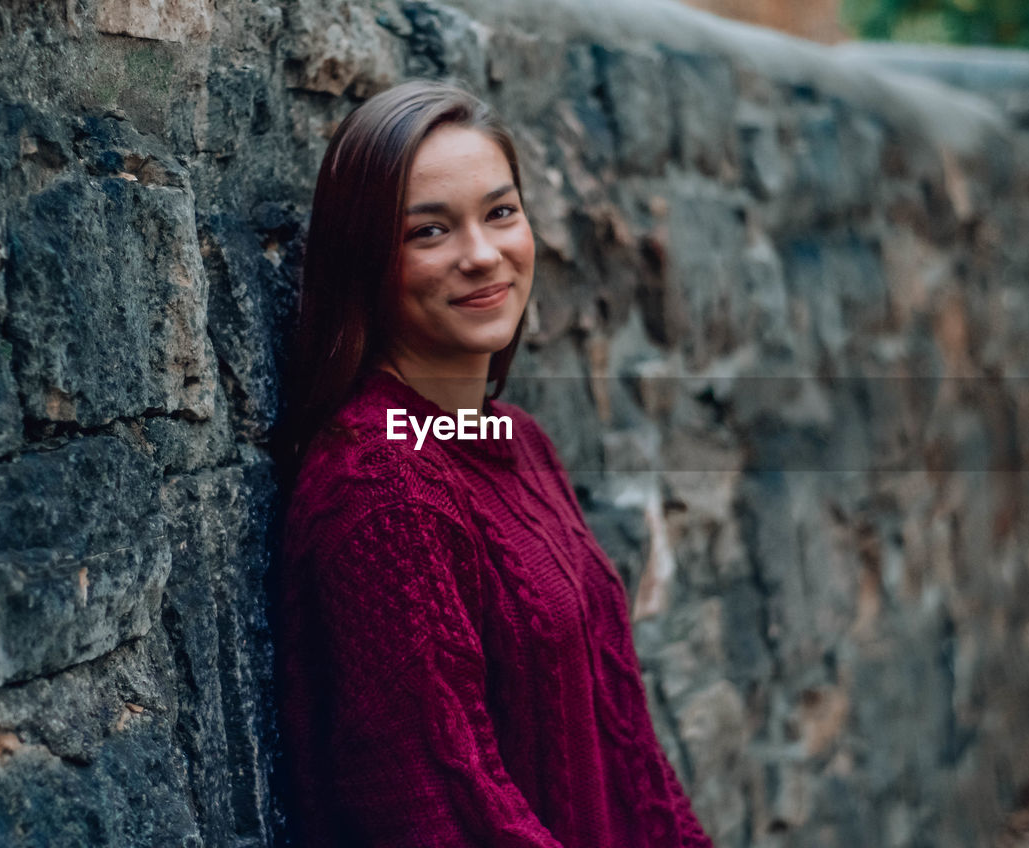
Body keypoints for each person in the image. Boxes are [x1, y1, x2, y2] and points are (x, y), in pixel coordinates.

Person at [274, 78, 713, 847]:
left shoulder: (517, 441)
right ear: (365, 261)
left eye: (500, 212)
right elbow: (439, 807)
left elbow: (624, 744)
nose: (483, 256)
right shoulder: (382, 487)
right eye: (429, 232)